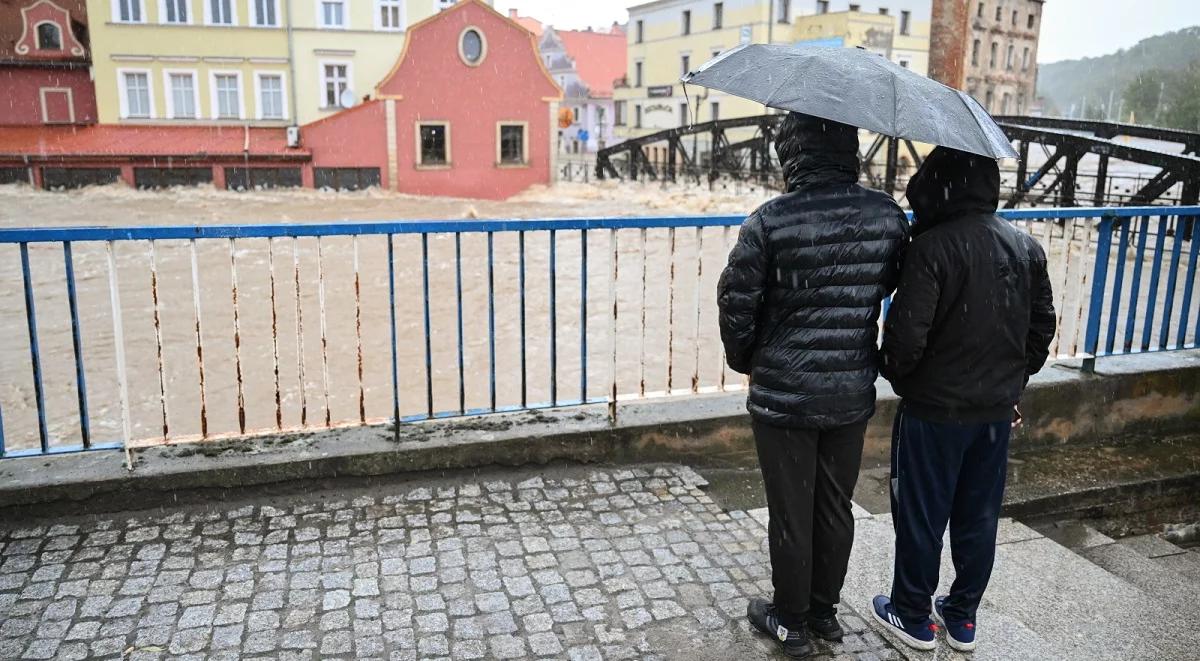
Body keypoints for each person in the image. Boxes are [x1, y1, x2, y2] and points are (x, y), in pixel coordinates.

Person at [717, 112, 909, 658]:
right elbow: (897, 286)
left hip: (784, 393)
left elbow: (736, 302)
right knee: (834, 505)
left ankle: (790, 620)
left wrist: (749, 358)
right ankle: (825, 613)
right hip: (849, 390)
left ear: (793, 153)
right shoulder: (888, 218)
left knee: (791, 509)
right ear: (849, 150)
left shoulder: (770, 222)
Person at [869, 147, 1056, 653]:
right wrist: (1010, 386)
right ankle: (962, 616)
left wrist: (899, 376)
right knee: (978, 517)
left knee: (922, 514)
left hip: (935, 412)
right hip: (995, 413)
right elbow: (1042, 331)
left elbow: (906, 340)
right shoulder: (1025, 247)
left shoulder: (931, 248)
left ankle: (911, 614)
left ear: (937, 185)